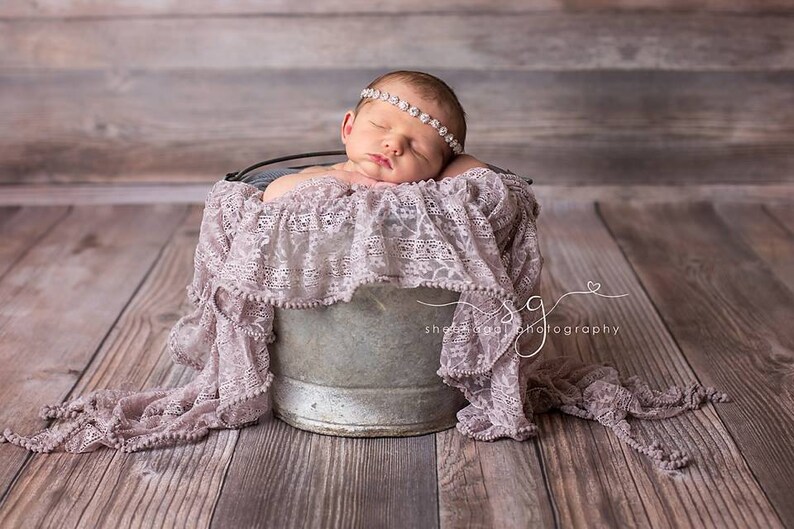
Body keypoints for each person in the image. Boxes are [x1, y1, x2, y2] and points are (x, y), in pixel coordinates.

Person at [262, 70, 489, 202]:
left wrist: (451, 164)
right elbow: (272, 195)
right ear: (348, 129)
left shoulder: (427, 191)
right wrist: (350, 181)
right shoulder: (326, 175)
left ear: (440, 167)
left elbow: (481, 178)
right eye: (380, 125)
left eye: (418, 149)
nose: (394, 144)